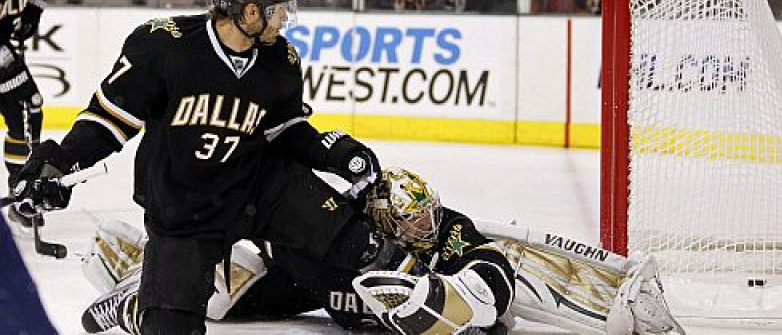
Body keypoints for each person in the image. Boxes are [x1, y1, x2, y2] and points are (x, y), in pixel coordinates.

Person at [13, 0, 415, 335]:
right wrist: (59, 162)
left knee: (359, 245)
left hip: (262, 187)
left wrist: (335, 150)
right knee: (170, 326)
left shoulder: (280, 60)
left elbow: (284, 129)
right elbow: (108, 120)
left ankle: (430, 290)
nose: (283, 21)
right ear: (250, 10)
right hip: (185, 207)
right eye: (277, 10)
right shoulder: (163, 46)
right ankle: (136, 306)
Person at [81, 167, 686, 335]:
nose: (425, 227)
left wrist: (450, 299)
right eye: (412, 221)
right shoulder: (336, 232)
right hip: (309, 288)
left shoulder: (446, 228)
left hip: (347, 300)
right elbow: (272, 232)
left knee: (508, 277)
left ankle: (607, 303)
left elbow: (493, 267)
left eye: (428, 215)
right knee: (210, 304)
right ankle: (138, 290)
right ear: (383, 221)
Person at [0, 0, 49, 230]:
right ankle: (20, 192)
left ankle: (21, 190)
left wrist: (33, 12)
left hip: (5, 49)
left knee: (32, 108)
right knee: (24, 110)